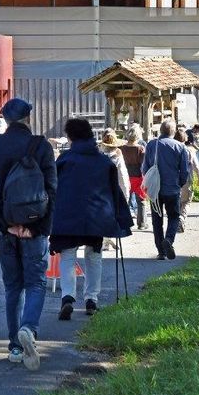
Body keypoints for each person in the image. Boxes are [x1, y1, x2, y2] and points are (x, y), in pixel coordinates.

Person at [0, 98, 57, 370]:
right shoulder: (42, 146)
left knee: (13, 286)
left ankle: (14, 346)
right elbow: (51, 190)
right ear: (28, 118)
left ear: (6, 120)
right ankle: (29, 328)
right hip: (35, 227)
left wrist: (3, 225)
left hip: (5, 228)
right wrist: (36, 227)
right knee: (36, 283)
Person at [51, 119, 132, 320]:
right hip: (97, 217)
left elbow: (52, 189)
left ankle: (67, 297)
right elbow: (115, 192)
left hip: (68, 216)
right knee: (94, 256)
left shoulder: (63, 160)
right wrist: (121, 217)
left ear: (70, 137)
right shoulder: (104, 162)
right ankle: (91, 300)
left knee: (68, 256)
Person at [142, 119, 190, 260]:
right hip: (172, 188)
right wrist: (180, 184)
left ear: (160, 131)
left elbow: (145, 167)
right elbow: (184, 170)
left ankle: (161, 252)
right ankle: (169, 240)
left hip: (155, 190)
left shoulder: (151, 145)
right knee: (174, 217)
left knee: (157, 219)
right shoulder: (180, 147)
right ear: (173, 131)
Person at [98, 129, 131, 250]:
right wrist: (126, 193)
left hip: (99, 190)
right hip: (113, 190)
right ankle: (107, 240)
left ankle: (105, 240)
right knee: (111, 216)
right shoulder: (117, 156)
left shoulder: (97, 155)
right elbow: (122, 175)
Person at [174, 127, 199, 232]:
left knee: (176, 201)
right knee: (186, 201)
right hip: (187, 179)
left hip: (173, 180)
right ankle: (182, 218)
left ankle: (175, 220)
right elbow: (196, 165)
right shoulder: (189, 150)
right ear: (185, 138)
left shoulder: (171, 149)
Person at [118, 126, 148, 229]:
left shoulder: (121, 148)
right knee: (141, 201)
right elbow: (143, 164)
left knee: (126, 200)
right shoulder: (140, 149)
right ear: (138, 136)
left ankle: (126, 223)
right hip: (138, 177)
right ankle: (142, 223)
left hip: (126, 176)